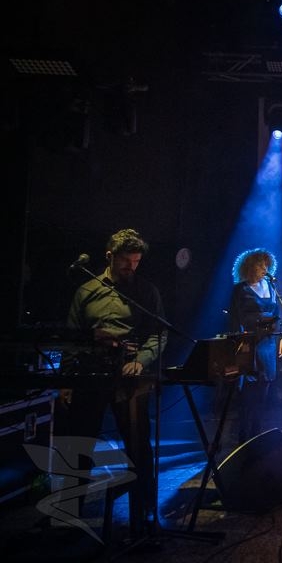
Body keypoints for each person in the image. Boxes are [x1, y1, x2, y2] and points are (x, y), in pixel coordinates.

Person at [65, 228, 166, 536]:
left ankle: (146, 512)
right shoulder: (86, 291)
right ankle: (69, 517)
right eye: (126, 261)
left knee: (138, 446)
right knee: (78, 446)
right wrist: (65, 382)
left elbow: (159, 333)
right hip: (90, 375)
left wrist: (141, 360)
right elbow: (71, 337)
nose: (131, 267)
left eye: (136, 262)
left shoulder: (147, 292)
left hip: (129, 376)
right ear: (110, 256)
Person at [228, 248, 282, 442]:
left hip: (268, 342)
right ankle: (244, 435)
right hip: (250, 342)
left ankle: (258, 433)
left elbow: (277, 314)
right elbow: (234, 318)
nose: (264, 269)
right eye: (260, 265)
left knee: (264, 389)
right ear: (250, 267)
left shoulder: (270, 286)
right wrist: (238, 340)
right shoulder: (240, 289)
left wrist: (280, 339)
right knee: (249, 391)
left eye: (266, 265)